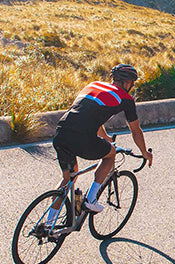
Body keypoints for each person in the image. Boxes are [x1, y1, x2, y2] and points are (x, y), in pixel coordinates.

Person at [50, 64, 153, 217]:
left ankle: (49, 223)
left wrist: (106, 138)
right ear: (127, 82)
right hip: (82, 136)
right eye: (132, 83)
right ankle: (90, 199)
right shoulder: (126, 99)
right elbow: (136, 131)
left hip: (61, 133)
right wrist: (144, 152)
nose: (132, 86)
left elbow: (87, 115)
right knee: (110, 154)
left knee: (68, 178)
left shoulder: (93, 85)